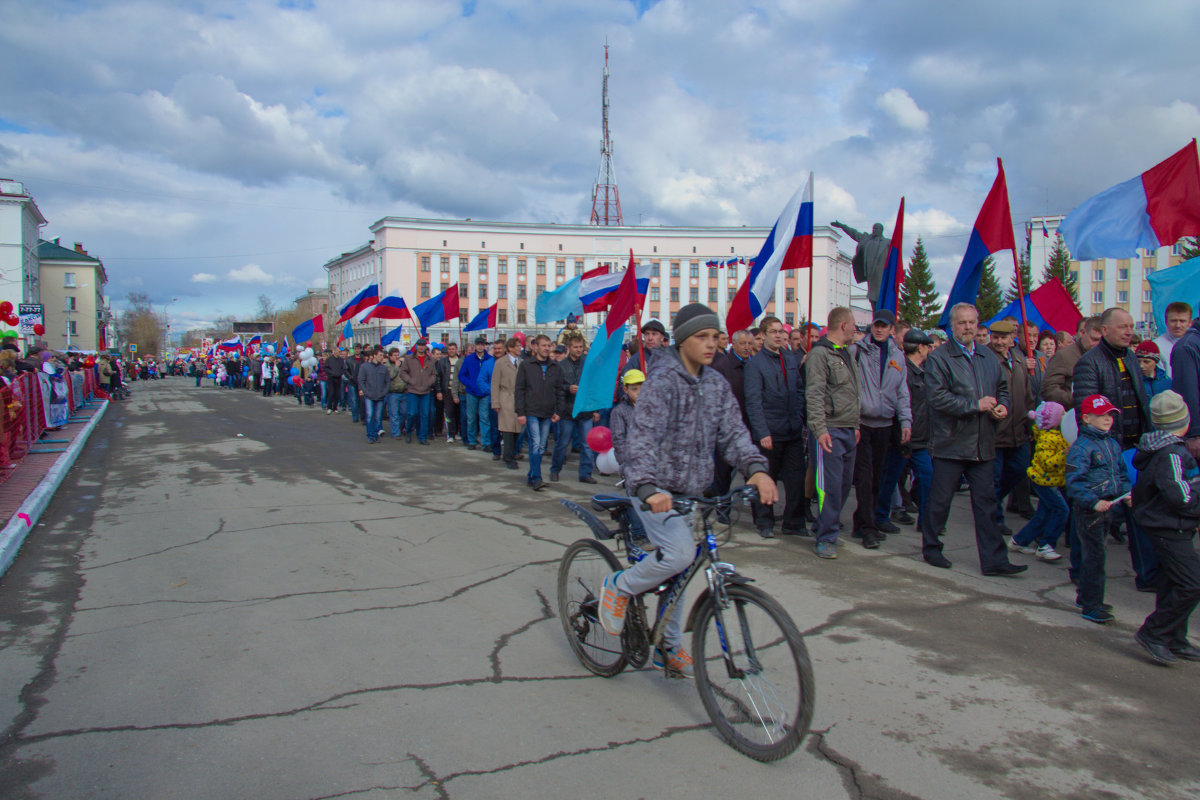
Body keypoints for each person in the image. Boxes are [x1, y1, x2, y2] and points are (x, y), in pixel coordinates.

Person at [596, 304, 776, 676]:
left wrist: (756, 470)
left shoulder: (715, 384)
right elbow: (642, 439)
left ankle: (668, 644)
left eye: (715, 336)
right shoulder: (662, 381)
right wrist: (646, 487)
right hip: (654, 490)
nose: (711, 344)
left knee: (680, 570)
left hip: (692, 492)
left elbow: (733, 433)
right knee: (678, 555)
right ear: (682, 340)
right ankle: (619, 586)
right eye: (701, 337)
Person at [920, 303, 1026, 575]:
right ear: (952, 326)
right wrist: (974, 405)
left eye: (972, 322)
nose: (967, 327)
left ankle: (994, 561)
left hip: (983, 443)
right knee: (940, 502)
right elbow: (937, 397)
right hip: (951, 443)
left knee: (987, 504)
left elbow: (1002, 388)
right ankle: (931, 547)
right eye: (962, 323)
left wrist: (1002, 406)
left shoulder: (988, 357)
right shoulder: (940, 358)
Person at [1072, 306, 1159, 590]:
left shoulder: (1131, 357)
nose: (1129, 331)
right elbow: (1085, 411)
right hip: (1106, 452)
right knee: (1095, 517)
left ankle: (1147, 575)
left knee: (1138, 511)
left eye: (1131, 326)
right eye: (1123, 327)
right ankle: (1082, 572)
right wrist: (1101, 450)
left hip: (1136, 448)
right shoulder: (1090, 362)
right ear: (1105, 330)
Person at [1131, 390, 1200, 664]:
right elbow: (1180, 496)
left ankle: (1174, 637)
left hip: (1173, 525)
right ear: (1183, 420)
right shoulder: (1170, 453)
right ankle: (1154, 632)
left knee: (1174, 581)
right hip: (1168, 527)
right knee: (1192, 582)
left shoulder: (1166, 449)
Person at [1065, 395, 1131, 623]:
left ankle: (1086, 597)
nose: (1107, 419)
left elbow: (1121, 473)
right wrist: (1092, 501)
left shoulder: (1111, 443)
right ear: (1086, 418)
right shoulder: (1082, 447)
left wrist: (1126, 492)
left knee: (1096, 554)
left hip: (1108, 506)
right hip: (1090, 510)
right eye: (1101, 415)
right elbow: (1073, 482)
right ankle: (1091, 605)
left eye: (1110, 414)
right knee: (1094, 557)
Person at [850, 308, 910, 548]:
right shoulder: (859, 351)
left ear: (891, 329)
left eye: (884, 326)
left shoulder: (898, 356)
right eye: (876, 325)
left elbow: (902, 392)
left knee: (877, 478)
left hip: (885, 424)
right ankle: (868, 528)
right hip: (862, 423)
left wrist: (906, 420)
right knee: (864, 478)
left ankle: (862, 521)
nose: (879, 329)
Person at [804, 307, 861, 559]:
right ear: (844, 325)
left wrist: (856, 425)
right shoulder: (820, 354)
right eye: (854, 324)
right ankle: (825, 537)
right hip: (830, 430)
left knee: (844, 483)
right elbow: (814, 394)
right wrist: (819, 429)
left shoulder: (845, 353)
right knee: (829, 487)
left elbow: (853, 393)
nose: (856, 329)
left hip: (848, 428)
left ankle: (826, 525)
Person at [744, 316, 807, 538]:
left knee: (796, 479)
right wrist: (762, 432)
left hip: (792, 431)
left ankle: (794, 522)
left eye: (781, 331)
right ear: (763, 336)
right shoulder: (755, 364)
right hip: (769, 433)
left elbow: (799, 390)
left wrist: (799, 417)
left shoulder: (789, 359)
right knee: (765, 477)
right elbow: (753, 401)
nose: (779, 335)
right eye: (774, 332)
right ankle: (764, 522)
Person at [876, 328, 934, 533]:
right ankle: (881, 516)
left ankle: (927, 521)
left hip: (921, 437)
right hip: (901, 436)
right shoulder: (900, 369)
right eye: (928, 346)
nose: (929, 349)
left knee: (927, 477)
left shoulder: (928, 371)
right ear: (920, 347)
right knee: (890, 478)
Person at [987, 319, 1035, 536]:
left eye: (1003, 338)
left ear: (1011, 339)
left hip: (1018, 430)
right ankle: (994, 519)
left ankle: (992, 502)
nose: (998, 342)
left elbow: (1027, 393)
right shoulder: (985, 358)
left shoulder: (1018, 359)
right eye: (995, 337)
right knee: (994, 479)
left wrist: (1030, 420)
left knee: (1019, 469)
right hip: (995, 431)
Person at [1008, 402, 1069, 562]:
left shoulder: (1058, 435)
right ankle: (1046, 544)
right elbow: (1048, 463)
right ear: (1053, 420)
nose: (1066, 417)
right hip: (1045, 482)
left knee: (1043, 514)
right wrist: (1065, 453)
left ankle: (1019, 541)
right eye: (1062, 414)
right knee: (1061, 510)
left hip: (1051, 481)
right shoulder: (1047, 439)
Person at [515, 334, 564, 490]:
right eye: (543, 345)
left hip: (548, 412)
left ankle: (531, 475)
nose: (546, 348)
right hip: (531, 411)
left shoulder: (555, 367)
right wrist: (520, 412)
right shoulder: (526, 365)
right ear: (535, 347)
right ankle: (537, 478)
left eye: (549, 345)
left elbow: (559, 390)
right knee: (535, 445)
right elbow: (519, 389)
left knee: (541, 447)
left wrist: (559, 411)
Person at [552, 333, 599, 485]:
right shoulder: (561, 366)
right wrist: (567, 388)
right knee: (563, 442)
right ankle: (555, 469)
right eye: (575, 347)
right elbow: (556, 388)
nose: (579, 350)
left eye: (580, 347)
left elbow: (593, 387)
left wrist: (595, 409)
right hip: (567, 410)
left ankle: (585, 473)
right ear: (569, 348)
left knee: (586, 444)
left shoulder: (588, 363)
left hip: (585, 410)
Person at [1042, 316, 1102, 408]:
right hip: (1072, 414)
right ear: (1083, 333)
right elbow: (1049, 390)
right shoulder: (1064, 355)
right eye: (1094, 339)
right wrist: (1078, 399)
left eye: (1101, 341)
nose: (1097, 344)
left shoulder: (1103, 356)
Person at [831, 220, 889, 309]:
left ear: (881, 230)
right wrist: (842, 226)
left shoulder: (888, 243)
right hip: (870, 275)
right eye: (873, 228)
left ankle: (880, 318)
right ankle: (876, 319)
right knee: (872, 299)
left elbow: (895, 256)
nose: (874, 230)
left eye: (876, 228)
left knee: (880, 299)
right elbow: (854, 233)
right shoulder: (866, 239)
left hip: (880, 275)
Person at [399, 338, 438, 445]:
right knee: (412, 413)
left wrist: (429, 382)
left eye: (423, 345)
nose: (421, 347)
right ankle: (408, 432)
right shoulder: (409, 358)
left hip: (426, 391)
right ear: (416, 346)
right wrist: (410, 380)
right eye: (419, 345)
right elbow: (403, 373)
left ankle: (422, 437)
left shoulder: (430, 360)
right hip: (413, 390)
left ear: (426, 346)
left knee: (425, 415)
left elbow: (434, 374)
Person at [490, 337, 522, 469]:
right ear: (510, 348)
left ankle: (513, 452)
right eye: (517, 346)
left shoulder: (522, 362)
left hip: (519, 399)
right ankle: (508, 457)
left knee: (517, 430)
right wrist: (495, 402)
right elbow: (495, 383)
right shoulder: (500, 363)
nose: (520, 348)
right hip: (505, 398)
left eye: (520, 346)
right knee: (507, 430)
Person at [459, 336, 493, 451]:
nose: (480, 346)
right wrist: (469, 384)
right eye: (478, 344)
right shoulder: (468, 359)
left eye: (482, 344)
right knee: (471, 418)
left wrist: (488, 387)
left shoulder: (489, 359)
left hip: (485, 393)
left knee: (484, 418)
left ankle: (486, 442)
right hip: (471, 392)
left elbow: (492, 375)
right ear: (475, 346)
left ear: (484, 346)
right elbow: (461, 375)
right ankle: (472, 441)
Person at [609, 368, 644, 473]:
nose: (639, 392)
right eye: (634, 389)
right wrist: (626, 465)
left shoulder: (651, 408)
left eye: (642, 388)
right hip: (632, 463)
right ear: (625, 389)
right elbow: (619, 440)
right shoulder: (619, 412)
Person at [356, 348, 389, 444]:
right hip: (369, 395)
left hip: (380, 396)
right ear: (374, 355)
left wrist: (384, 392)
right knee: (370, 415)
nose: (382, 357)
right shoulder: (365, 367)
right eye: (380, 355)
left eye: (382, 355)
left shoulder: (384, 368)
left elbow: (387, 382)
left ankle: (376, 434)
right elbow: (361, 380)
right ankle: (370, 435)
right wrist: (365, 392)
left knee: (378, 417)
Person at [1154, 302, 1192, 378]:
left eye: (1182, 321)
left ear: (1190, 323)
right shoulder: (1156, 347)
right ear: (1166, 322)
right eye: (1173, 321)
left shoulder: (1195, 345)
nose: (1178, 325)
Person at [436, 341, 462, 443]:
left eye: (453, 349)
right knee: (449, 413)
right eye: (449, 349)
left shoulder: (460, 361)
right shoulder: (442, 362)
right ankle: (450, 434)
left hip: (459, 390)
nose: (451, 351)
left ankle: (457, 433)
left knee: (458, 413)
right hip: (447, 391)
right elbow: (438, 377)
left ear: (456, 350)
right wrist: (439, 391)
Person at [385, 348, 408, 440]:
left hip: (403, 391)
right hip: (393, 392)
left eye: (398, 355)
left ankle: (400, 428)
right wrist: (396, 366)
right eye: (394, 355)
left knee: (404, 412)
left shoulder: (402, 364)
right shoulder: (387, 365)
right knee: (394, 414)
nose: (397, 357)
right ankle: (396, 433)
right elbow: (390, 376)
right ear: (390, 356)